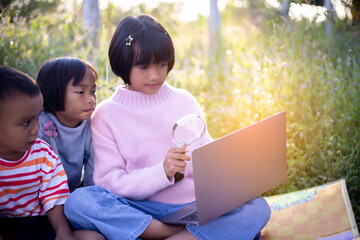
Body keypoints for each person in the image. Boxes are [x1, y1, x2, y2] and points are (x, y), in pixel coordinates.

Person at [64, 15, 271, 240]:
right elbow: (110, 183)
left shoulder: (184, 100)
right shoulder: (106, 114)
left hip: (191, 206)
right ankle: (168, 234)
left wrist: (240, 176)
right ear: (123, 63)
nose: (155, 75)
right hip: (140, 210)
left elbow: (206, 156)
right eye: (143, 67)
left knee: (257, 208)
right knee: (79, 202)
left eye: (162, 65)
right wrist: (161, 172)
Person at [0, 66, 104, 240]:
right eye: (26, 123)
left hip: (43, 223)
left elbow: (54, 198)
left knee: (93, 238)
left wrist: (63, 232)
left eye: (36, 119)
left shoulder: (43, 154)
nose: (36, 129)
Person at [36, 57, 97, 192]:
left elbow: (93, 172)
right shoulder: (40, 125)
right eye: (81, 92)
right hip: (43, 193)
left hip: (76, 192)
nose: (91, 99)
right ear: (54, 92)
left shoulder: (93, 125)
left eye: (93, 91)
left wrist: (90, 196)